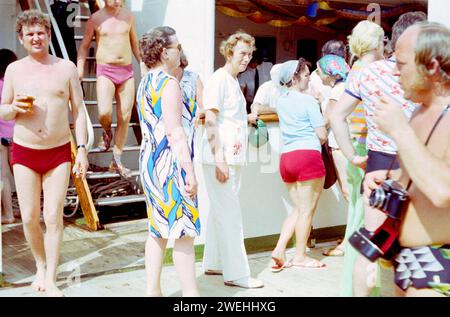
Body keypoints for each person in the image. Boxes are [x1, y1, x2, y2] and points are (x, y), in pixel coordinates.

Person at [329, 12, 426, 297]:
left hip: (378, 163)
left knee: (371, 245)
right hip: (415, 164)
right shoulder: (425, 74)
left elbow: (337, 116)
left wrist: (350, 155)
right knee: (411, 248)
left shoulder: (368, 73)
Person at [0, 10, 88, 296]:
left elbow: (80, 111)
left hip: (59, 152)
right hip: (25, 152)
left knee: (52, 216)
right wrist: (13, 109)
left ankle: (50, 276)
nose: (36, 38)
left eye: (41, 32)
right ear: (22, 39)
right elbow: (3, 108)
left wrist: (84, 149)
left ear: (49, 35)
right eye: (30, 34)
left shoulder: (66, 67)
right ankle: (39, 264)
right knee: (28, 216)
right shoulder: (14, 70)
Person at [366, 22, 450, 297]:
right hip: (408, 259)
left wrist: (400, 131)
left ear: (433, 66)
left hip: (439, 264)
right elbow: (419, 176)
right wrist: (389, 179)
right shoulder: (418, 112)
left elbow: (443, 191)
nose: (394, 70)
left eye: (401, 63)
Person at [136, 26, 200, 297]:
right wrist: (190, 173)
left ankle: (153, 291)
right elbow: (175, 133)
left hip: (149, 162)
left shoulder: (145, 82)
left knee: (158, 229)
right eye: (177, 47)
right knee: (184, 232)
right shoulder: (168, 83)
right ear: (164, 52)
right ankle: (190, 295)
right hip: (170, 164)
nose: (180, 51)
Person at [200, 31, 264, 289]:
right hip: (222, 157)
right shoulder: (219, 80)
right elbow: (211, 120)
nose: (246, 58)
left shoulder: (231, 81)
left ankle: (214, 262)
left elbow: (227, 117)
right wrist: (220, 160)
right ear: (229, 52)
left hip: (230, 156)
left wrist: (245, 118)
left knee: (221, 211)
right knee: (231, 215)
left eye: (250, 54)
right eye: (242, 53)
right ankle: (237, 274)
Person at [333, 20, 385, 294]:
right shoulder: (374, 71)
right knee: (365, 223)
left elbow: (337, 116)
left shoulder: (354, 69)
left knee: (356, 216)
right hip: (369, 152)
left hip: (356, 150)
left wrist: (349, 153)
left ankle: (352, 286)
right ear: (378, 42)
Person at [270, 59, 328, 271]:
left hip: (287, 158)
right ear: (294, 78)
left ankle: (279, 249)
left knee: (298, 208)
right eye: (305, 75)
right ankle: (301, 256)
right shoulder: (308, 101)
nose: (309, 78)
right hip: (307, 156)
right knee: (306, 211)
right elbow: (321, 135)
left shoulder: (281, 100)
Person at [77, 0, 141, 177]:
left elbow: (135, 43)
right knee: (104, 113)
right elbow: (83, 47)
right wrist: (79, 70)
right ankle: (106, 132)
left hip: (126, 71)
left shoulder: (128, 16)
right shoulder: (96, 18)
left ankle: (117, 159)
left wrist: (143, 64)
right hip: (105, 71)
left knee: (125, 116)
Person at [0, 49, 18, 224]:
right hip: (18, 135)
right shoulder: (16, 84)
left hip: (1, 136)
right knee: (22, 175)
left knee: (3, 176)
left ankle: (8, 214)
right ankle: (36, 211)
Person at [172, 51, 204, 130]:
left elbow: (205, 106)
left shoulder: (193, 78)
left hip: (189, 131)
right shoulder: (162, 79)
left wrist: (201, 113)